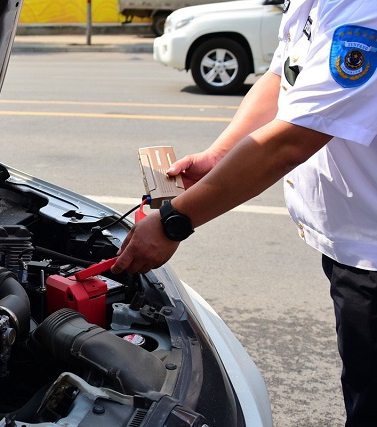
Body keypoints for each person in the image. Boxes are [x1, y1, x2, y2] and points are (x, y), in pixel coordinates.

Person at [110, 0, 377, 425]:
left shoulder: (362, 12)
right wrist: (219, 155)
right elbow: (282, 79)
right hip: (356, 245)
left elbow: (288, 143)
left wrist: (175, 221)